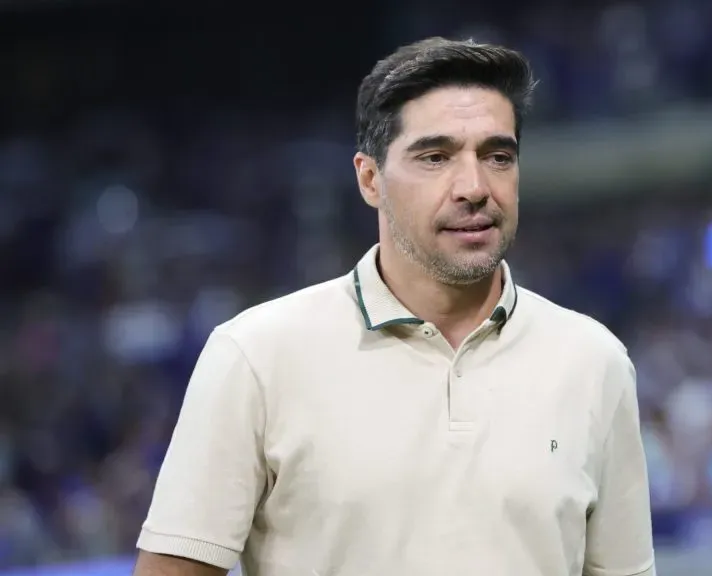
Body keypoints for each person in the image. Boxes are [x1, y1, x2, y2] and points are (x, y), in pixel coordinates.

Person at [132, 37, 655, 576]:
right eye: (436, 157)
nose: (474, 186)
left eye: (498, 156)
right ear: (370, 178)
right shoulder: (257, 356)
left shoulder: (595, 363)